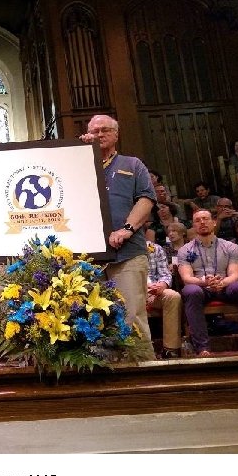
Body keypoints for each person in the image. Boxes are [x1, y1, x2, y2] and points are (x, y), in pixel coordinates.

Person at [80, 115, 156, 350]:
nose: (99, 135)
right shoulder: (78, 164)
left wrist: (127, 229)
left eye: (104, 130)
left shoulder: (132, 164)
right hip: (87, 258)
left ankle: (142, 376)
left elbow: (146, 198)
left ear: (116, 134)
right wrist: (76, 152)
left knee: (131, 315)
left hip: (127, 253)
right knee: (92, 320)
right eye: (94, 131)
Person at [177, 209, 238, 356]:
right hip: (201, 287)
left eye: (205, 218)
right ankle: (203, 348)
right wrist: (204, 282)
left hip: (226, 285)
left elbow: (235, 274)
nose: (202, 222)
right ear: (193, 225)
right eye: (197, 220)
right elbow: (186, 278)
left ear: (214, 222)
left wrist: (222, 282)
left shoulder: (230, 246)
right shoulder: (185, 250)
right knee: (191, 291)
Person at [146, 241, 183, 359]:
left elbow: (165, 274)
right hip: (135, 291)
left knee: (173, 296)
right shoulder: (123, 249)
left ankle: (171, 350)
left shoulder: (155, 248)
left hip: (154, 291)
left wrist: (162, 285)